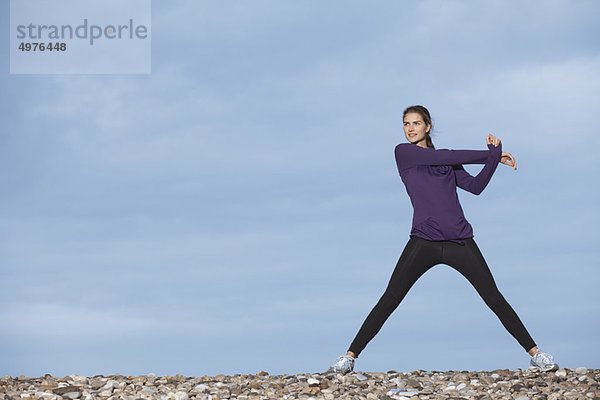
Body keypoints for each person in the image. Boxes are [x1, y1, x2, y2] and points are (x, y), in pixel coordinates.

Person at [328, 105, 557, 374]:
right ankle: (349, 357)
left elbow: (476, 187)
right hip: (423, 241)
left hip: (459, 240)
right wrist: (491, 154)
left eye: (416, 123)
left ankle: (536, 354)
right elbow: (448, 156)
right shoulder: (404, 153)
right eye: (406, 124)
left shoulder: (446, 160)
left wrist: (492, 161)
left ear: (428, 126)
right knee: (391, 297)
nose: (410, 128)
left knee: (493, 296)